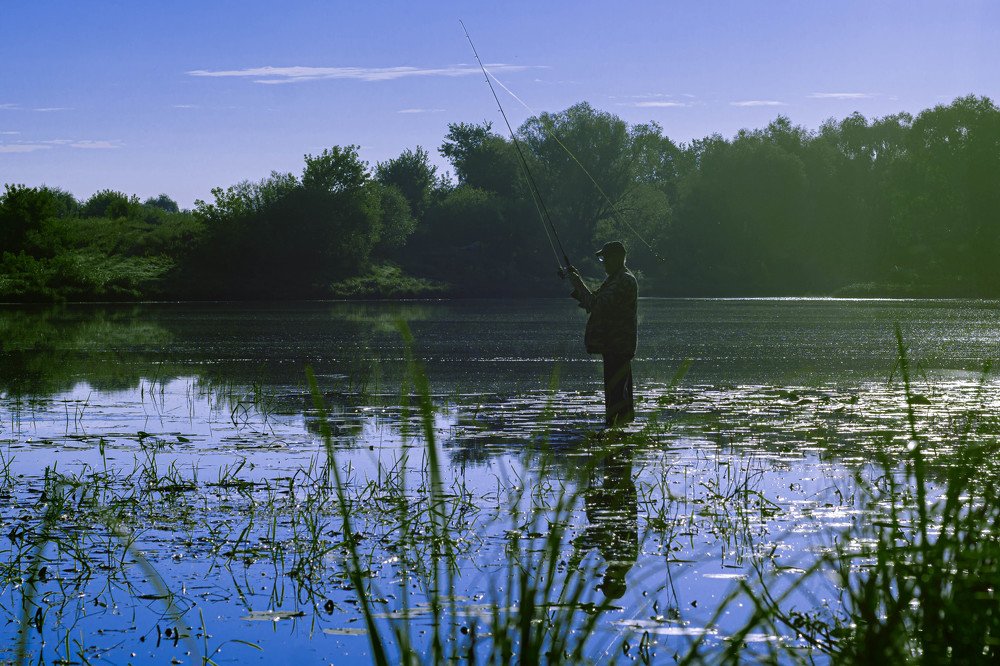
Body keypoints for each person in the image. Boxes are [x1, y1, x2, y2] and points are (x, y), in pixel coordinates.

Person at [568, 240, 637, 427]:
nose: (604, 262)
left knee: (616, 395)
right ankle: (618, 431)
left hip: (618, 346)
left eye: (605, 258)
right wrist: (575, 281)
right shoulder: (614, 279)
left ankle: (617, 431)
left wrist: (577, 281)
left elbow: (596, 305)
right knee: (615, 393)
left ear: (616, 258)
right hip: (613, 345)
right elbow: (593, 300)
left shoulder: (624, 280)